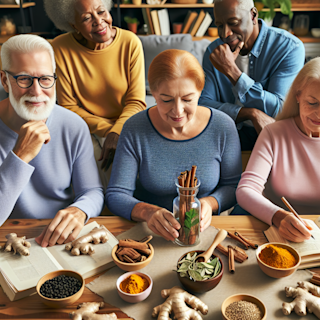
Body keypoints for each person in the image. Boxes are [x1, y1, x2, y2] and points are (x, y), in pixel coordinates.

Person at [105, 49, 242, 241]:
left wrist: (210, 203)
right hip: (150, 234)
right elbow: (116, 194)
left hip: (205, 232)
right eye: (166, 100)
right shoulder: (135, 128)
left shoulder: (223, 126)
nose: (177, 111)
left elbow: (234, 186)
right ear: (153, 93)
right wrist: (148, 212)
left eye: (187, 99)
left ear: (200, 92)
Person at [0, 34, 104, 246]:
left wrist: (79, 210)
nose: (37, 91)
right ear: (5, 81)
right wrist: (20, 155)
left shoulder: (74, 125)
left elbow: (92, 191)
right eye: (24, 79)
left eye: (45, 79)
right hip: (6, 242)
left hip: (62, 241)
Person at [236, 56, 320, 242]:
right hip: (275, 229)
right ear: (298, 96)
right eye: (312, 102)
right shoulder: (273, 134)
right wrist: (279, 217)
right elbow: (246, 190)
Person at [44, 0, 146, 188]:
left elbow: (136, 101)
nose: (99, 21)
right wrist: (108, 130)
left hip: (127, 122)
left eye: (101, 11)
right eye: (86, 18)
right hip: (86, 125)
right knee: (96, 163)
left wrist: (117, 131)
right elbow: (68, 106)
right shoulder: (60, 47)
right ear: (73, 25)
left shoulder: (130, 42)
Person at [199, 0, 305, 150]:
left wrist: (232, 72)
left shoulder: (288, 47)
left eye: (233, 22)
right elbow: (203, 105)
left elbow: (280, 110)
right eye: (220, 25)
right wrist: (250, 113)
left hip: (274, 136)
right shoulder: (214, 51)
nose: (225, 33)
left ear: (253, 15)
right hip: (227, 133)